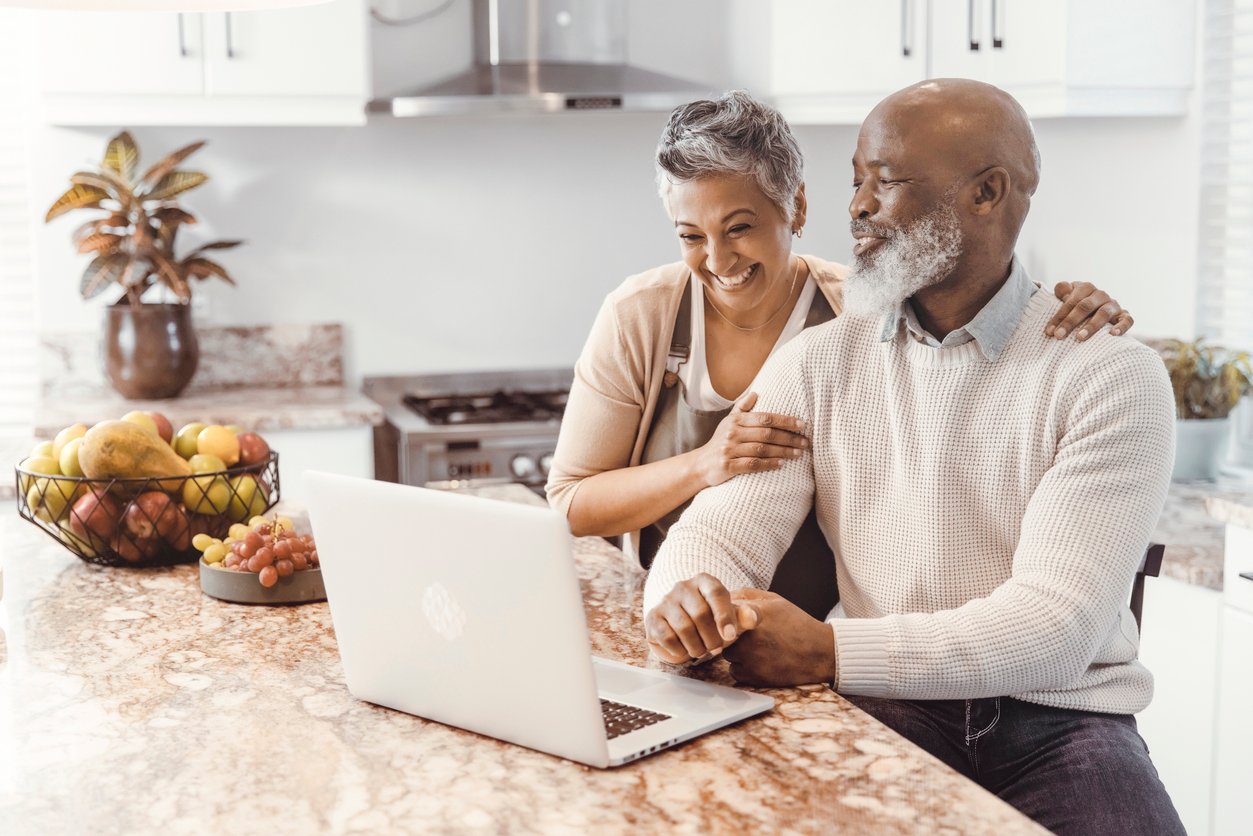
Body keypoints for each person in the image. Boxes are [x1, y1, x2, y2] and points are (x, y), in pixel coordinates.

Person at [641, 79, 1183, 834]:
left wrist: (829, 651)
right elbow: (723, 526)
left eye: (885, 182)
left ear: (986, 193)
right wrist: (682, 599)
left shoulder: (1107, 374)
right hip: (890, 705)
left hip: (1061, 724)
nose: (857, 207)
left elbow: (1056, 627)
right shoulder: (816, 362)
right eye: (855, 180)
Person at [546, 90, 1134, 620]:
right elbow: (573, 502)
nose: (719, 260)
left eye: (740, 227)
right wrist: (705, 466)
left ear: (796, 209)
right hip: (678, 602)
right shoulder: (643, 315)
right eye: (691, 236)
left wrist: (1056, 306)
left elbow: (973, 296)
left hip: (821, 632)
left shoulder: (857, 315)